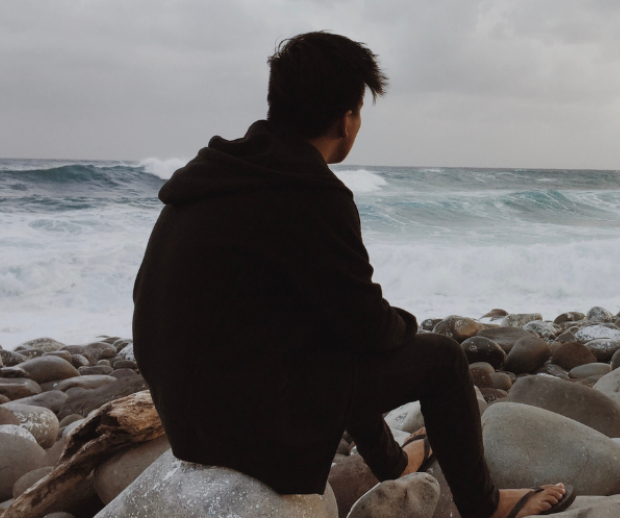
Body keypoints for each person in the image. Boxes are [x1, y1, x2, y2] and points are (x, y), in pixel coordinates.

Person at [132, 31, 574, 518]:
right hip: (246, 431)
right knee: (443, 361)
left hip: (185, 416)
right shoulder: (312, 194)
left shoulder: (216, 173)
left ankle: (390, 462)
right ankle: (483, 505)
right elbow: (365, 326)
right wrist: (405, 325)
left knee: (326, 335)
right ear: (346, 119)